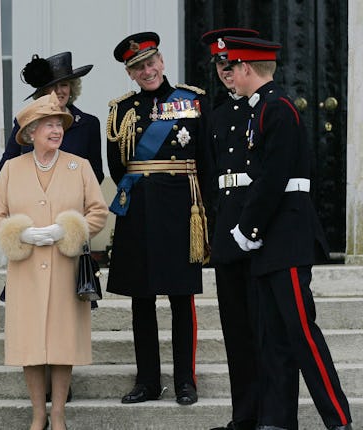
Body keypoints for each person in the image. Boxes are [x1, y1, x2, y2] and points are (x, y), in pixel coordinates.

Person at [223, 36, 353, 430]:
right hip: (270, 241)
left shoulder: (276, 110)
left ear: (247, 68)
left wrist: (247, 229)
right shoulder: (260, 108)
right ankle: (277, 420)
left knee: (301, 334)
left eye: (233, 67)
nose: (229, 74)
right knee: (273, 337)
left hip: (286, 238)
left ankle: (338, 419)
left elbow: (272, 179)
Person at [0, 92, 108, 430]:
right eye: (48, 126)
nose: (56, 131)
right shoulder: (12, 168)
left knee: (61, 343)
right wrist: (19, 233)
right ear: (30, 132)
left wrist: (67, 229)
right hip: (25, 269)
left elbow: (98, 212)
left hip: (65, 266)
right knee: (29, 345)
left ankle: (58, 414)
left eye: (59, 125)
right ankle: (38, 412)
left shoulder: (78, 166)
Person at [105, 32, 209, 406]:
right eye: (137, 67)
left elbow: (207, 159)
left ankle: (186, 380)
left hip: (182, 209)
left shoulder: (192, 100)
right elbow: (118, 167)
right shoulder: (120, 109)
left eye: (150, 63)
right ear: (130, 74)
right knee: (141, 299)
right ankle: (147, 380)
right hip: (139, 211)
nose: (146, 71)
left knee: (182, 298)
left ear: (162, 62)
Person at [200, 27, 261, 430]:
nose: (225, 70)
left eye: (231, 63)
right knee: (236, 333)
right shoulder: (215, 114)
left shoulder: (267, 107)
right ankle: (243, 417)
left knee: (263, 330)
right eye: (220, 64)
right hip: (227, 230)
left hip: (260, 230)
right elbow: (208, 173)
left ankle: (270, 415)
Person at [0, 51, 104, 184]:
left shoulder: (89, 124)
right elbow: (3, 170)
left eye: (64, 84)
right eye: (52, 86)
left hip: (73, 202)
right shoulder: (26, 123)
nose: (59, 91)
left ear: (72, 88)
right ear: (43, 91)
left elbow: (96, 175)